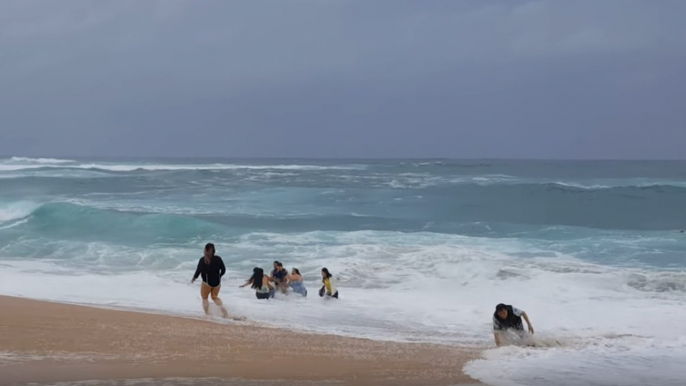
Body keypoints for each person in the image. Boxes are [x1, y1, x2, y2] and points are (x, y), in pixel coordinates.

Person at [191, 243, 229, 318]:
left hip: (206, 283)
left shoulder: (203, 260)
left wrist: (194, 278)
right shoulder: (218, 259)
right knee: (215, 297)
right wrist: (219, 276)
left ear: (205, 250)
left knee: (205, 298)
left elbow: (198, 270)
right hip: (217, 283)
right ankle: (223, 310)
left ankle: (207, 314)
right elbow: (223, 270)